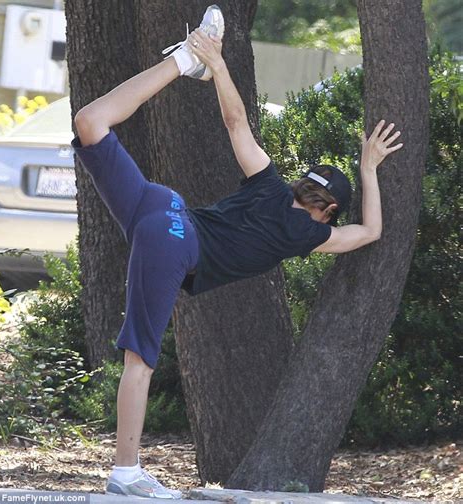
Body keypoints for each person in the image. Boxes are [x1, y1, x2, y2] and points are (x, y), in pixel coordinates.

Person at [72, 4, 403, 499]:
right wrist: (369, 168)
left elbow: (235, 121)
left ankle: (184, 61)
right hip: (172, 240)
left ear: (300, 185)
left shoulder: (268, 184)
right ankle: (125, 471)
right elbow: (371, 231)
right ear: (328, 210)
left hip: (160, 206)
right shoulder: (309, 235)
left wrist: (219, 66)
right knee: (139, 359)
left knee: (90, 121)